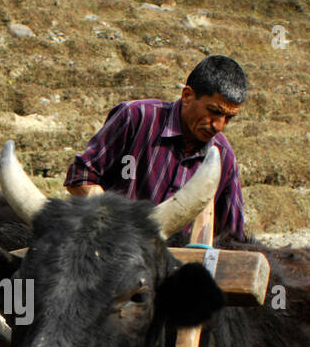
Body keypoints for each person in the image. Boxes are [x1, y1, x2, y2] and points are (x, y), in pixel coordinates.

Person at [65, 55, 248, 241]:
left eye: (228, 117)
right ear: (187, 96)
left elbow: (232, 238)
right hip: (113, 252)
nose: (219, 125)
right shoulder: (136, 118)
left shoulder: (224, 157)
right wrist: (114, 224)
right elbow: (81, 178)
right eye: (214, 111)